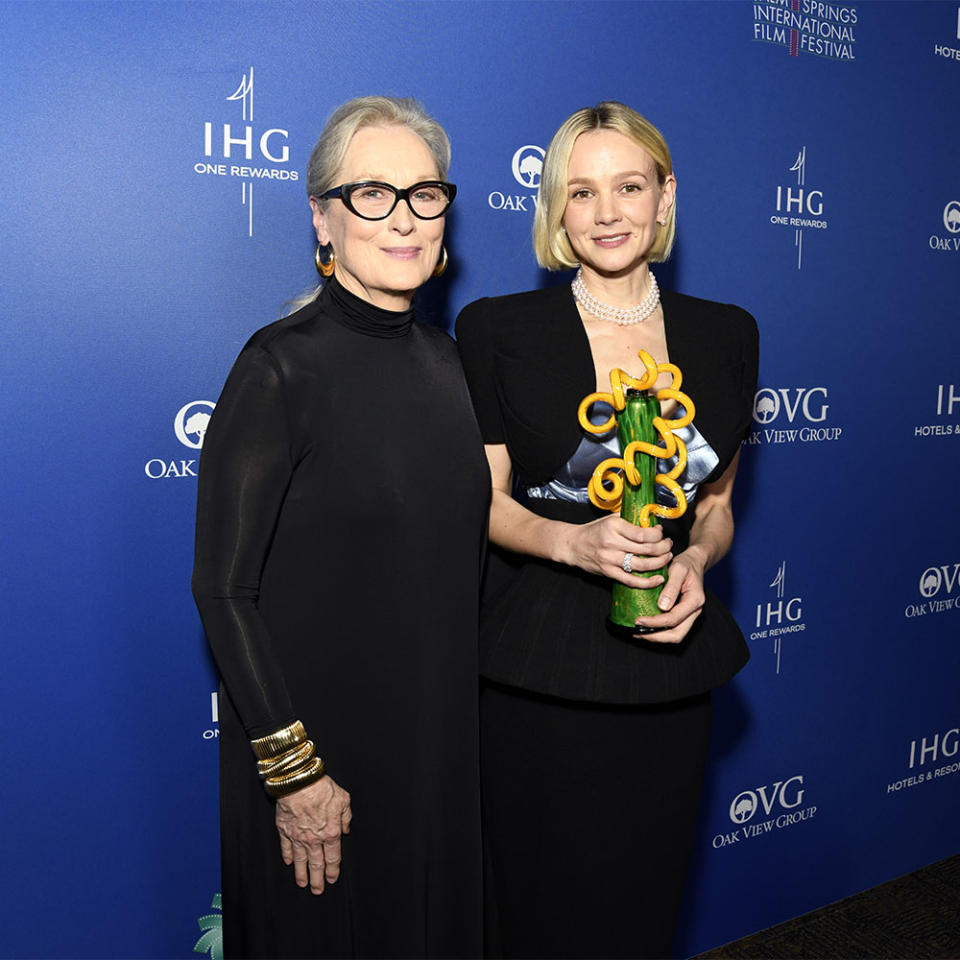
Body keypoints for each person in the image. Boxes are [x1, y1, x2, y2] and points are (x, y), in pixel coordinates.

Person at [455, 102, 758, 959]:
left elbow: (718, 506)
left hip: (670, 663)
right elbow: (484, 502)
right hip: (539, 667)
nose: (608, 212)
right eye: (580, 192)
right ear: (556, 210)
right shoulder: (498, 330)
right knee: (539, 908)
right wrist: (572, 543)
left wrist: (698, 558)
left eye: (629, 187)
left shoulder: (728, 334)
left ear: (666, 197)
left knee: (643, 902)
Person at [192, 96, 488, 959]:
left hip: (435, 746)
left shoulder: (451, 364)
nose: (403, 217)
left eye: (425, 194)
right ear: (323, 217)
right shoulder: (279, 367)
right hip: (320, 757)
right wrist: (295, 774)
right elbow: (224, 589)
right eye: (372, 193)